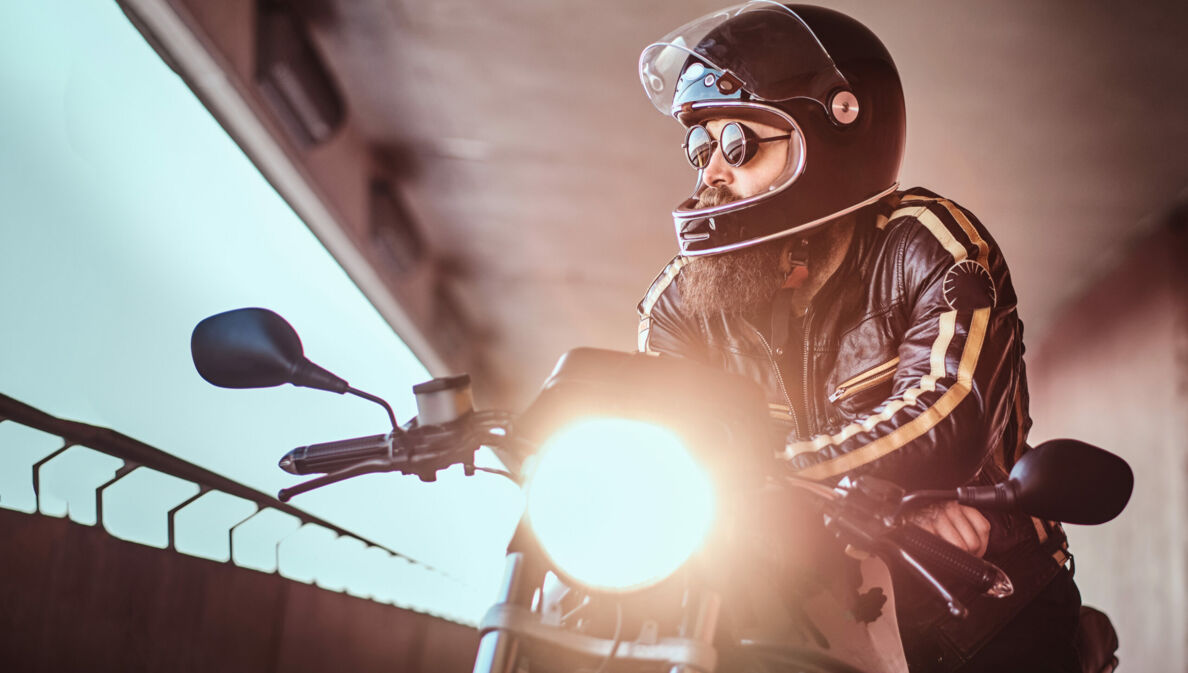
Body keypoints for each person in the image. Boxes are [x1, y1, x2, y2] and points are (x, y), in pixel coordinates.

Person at [635, 3, 1081, 671]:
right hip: (790, 594)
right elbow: (656, 436)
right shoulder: (685, 295)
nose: (711, 175)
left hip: (979, 593)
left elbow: (941, 417)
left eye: (738, 146)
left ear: (833, 131)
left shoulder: (928, 243)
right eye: (702, 150)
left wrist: (793, 484)